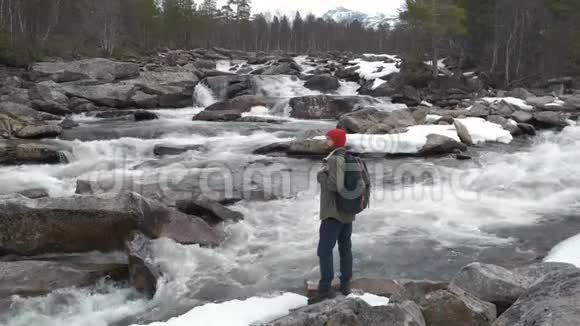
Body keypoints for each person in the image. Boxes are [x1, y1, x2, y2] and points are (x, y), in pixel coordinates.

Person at [309, 128, 356, 305]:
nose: (324, 141)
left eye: (328, 139)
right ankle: (345, 285)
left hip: (333, 213)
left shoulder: (335, 159)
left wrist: (321, 176)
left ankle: (324, 289)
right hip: (346, 211)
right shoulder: (347, 156)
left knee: (324, 251)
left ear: (335, 142)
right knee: (345, 248)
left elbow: (335, 186)